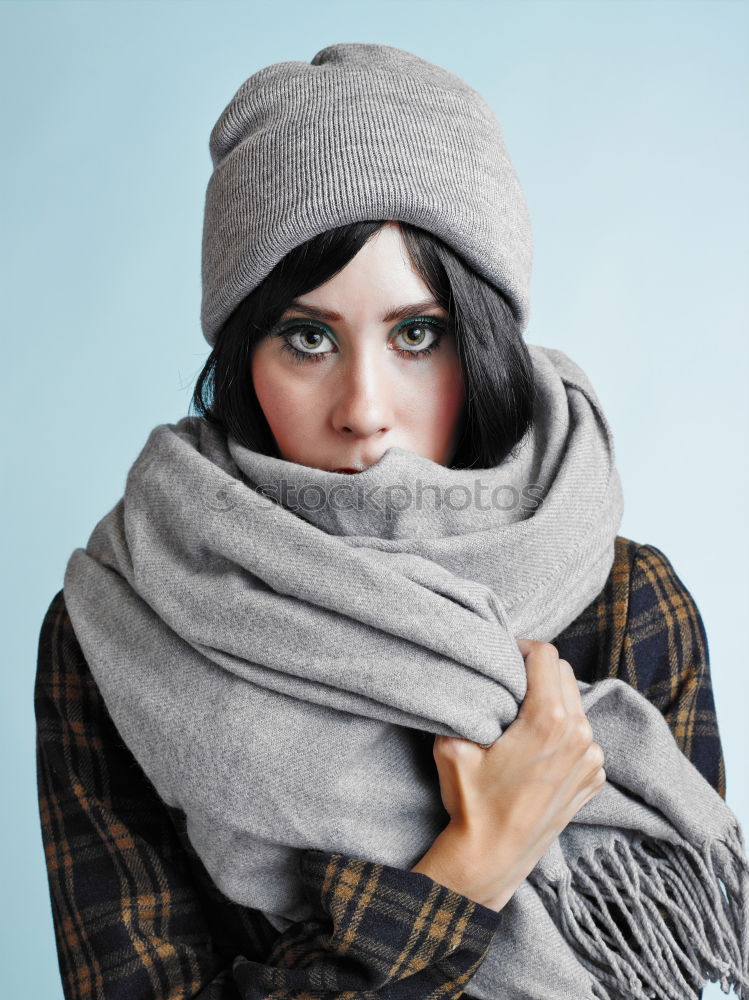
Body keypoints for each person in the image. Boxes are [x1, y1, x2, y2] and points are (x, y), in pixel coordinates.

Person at [35, 43, 732, 1000]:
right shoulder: (119, 621)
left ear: (481, 340)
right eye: (307, 337)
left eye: (418, 335)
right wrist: (471, 868)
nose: (363, 407)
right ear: (245, 356)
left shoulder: (623, 597)